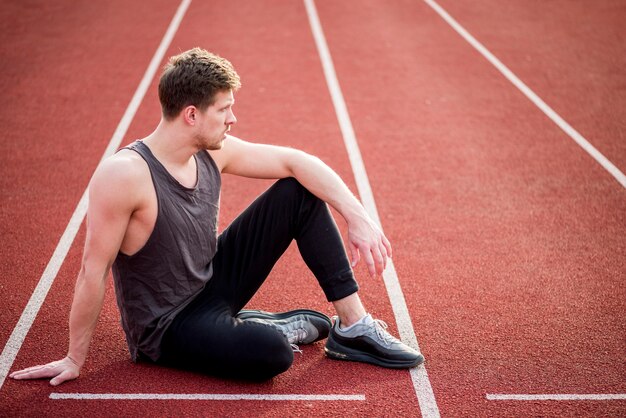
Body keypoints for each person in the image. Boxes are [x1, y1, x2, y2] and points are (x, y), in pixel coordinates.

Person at [10, 48, 424, 385]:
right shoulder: (125, 175)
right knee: (272, 354)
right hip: (168, 326)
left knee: (299, 191)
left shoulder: (212, 151)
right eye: (224, 109)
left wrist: (357, 216)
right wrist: (73, 358)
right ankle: (258, 329)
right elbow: (92, 271)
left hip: (210, 281)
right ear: (191, 114)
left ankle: (352, 328)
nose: (233, 118)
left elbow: (298, 161)